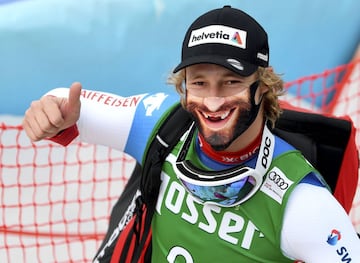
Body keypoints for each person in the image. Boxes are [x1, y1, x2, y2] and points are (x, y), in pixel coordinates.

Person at [22, 5, 360, 263]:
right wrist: (53, 112)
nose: (213, 102)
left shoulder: (303, 203)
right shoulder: (162, 123)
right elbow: (72, 105)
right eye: (199, 82)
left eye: (231, 82)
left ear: (263, 85)